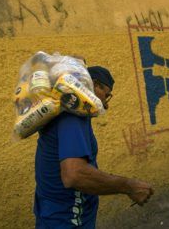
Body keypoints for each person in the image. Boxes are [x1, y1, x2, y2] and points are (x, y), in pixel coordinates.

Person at [34, 66, 154, 228]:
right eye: (106, 95)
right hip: (67, 219)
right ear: (95, 85)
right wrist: (128, 186)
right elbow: (74, 174)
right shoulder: (73, 117)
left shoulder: (69, 111)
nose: (106, 105)